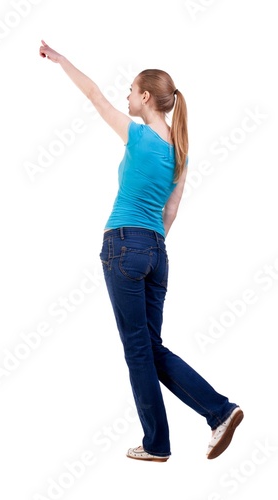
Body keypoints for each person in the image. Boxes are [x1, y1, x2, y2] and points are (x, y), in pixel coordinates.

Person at [39, 40, 243, 462]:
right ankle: (215, 415)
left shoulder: (137, 135)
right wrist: (151, 245)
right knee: (151, 347)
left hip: (124, 245)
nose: (126, 97)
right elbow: (171, 211)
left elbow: (93, 95)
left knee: (138, 349)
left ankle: (166, 439)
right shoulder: (180, 151)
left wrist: (61, 61)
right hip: (156, 252)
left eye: (131, 91)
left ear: (146, 97)